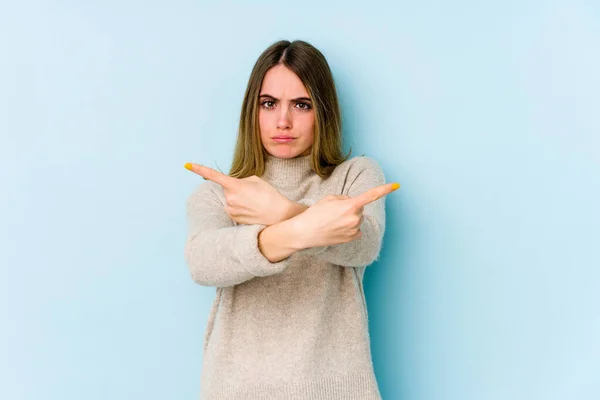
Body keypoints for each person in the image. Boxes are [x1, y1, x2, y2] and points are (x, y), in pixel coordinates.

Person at [183, 39, 400, 400]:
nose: (283, 121)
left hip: (337, 389)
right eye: (269, 104)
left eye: (302, 105)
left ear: (324, 112)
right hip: (237, 390)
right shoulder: (220, 194)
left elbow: (363, 246)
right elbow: (204, 263)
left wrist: (279, 213)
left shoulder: (355, 176)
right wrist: (301, 228)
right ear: (252, 111)